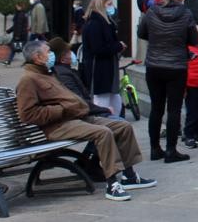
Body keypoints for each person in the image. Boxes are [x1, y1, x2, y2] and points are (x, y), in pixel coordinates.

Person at [16, 40, 156, 201]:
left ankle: (130, 176)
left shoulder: (47, 73)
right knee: (103, 133)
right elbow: (28, 114)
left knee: (122, 126)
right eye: (48, 52)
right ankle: (112, 184)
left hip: (78, 117)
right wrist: (62, 110)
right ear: (37, 57)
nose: (51, 55)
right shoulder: (28, 79)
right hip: (59, 125)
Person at [137, 0, 198, 163]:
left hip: (154, 65)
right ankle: (171, 150)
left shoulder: (152, 11)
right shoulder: (186, 13)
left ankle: (155, 148)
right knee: (174, 109)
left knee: (156, 108)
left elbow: (142, 33)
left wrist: (157, 39)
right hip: (176, 66)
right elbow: (194, 40)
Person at [81, 0, 126, 116]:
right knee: (103, 101)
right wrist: (118, 46)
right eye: (109, 4)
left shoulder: (104, 22)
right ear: (101, 5)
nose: (112, 7)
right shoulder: (95, 24)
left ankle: (115, 126)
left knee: (114, 99)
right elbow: (98, 49)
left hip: (107, 68)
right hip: (100, 70)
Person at [48, 37, 113, 118]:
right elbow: (80, 101)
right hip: (82, 116)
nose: (71, 54)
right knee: (121, 124)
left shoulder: (64, 71)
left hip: (84, 113)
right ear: (62, 59)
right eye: (68, 52)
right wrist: (104, 110)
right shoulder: (64, 75)